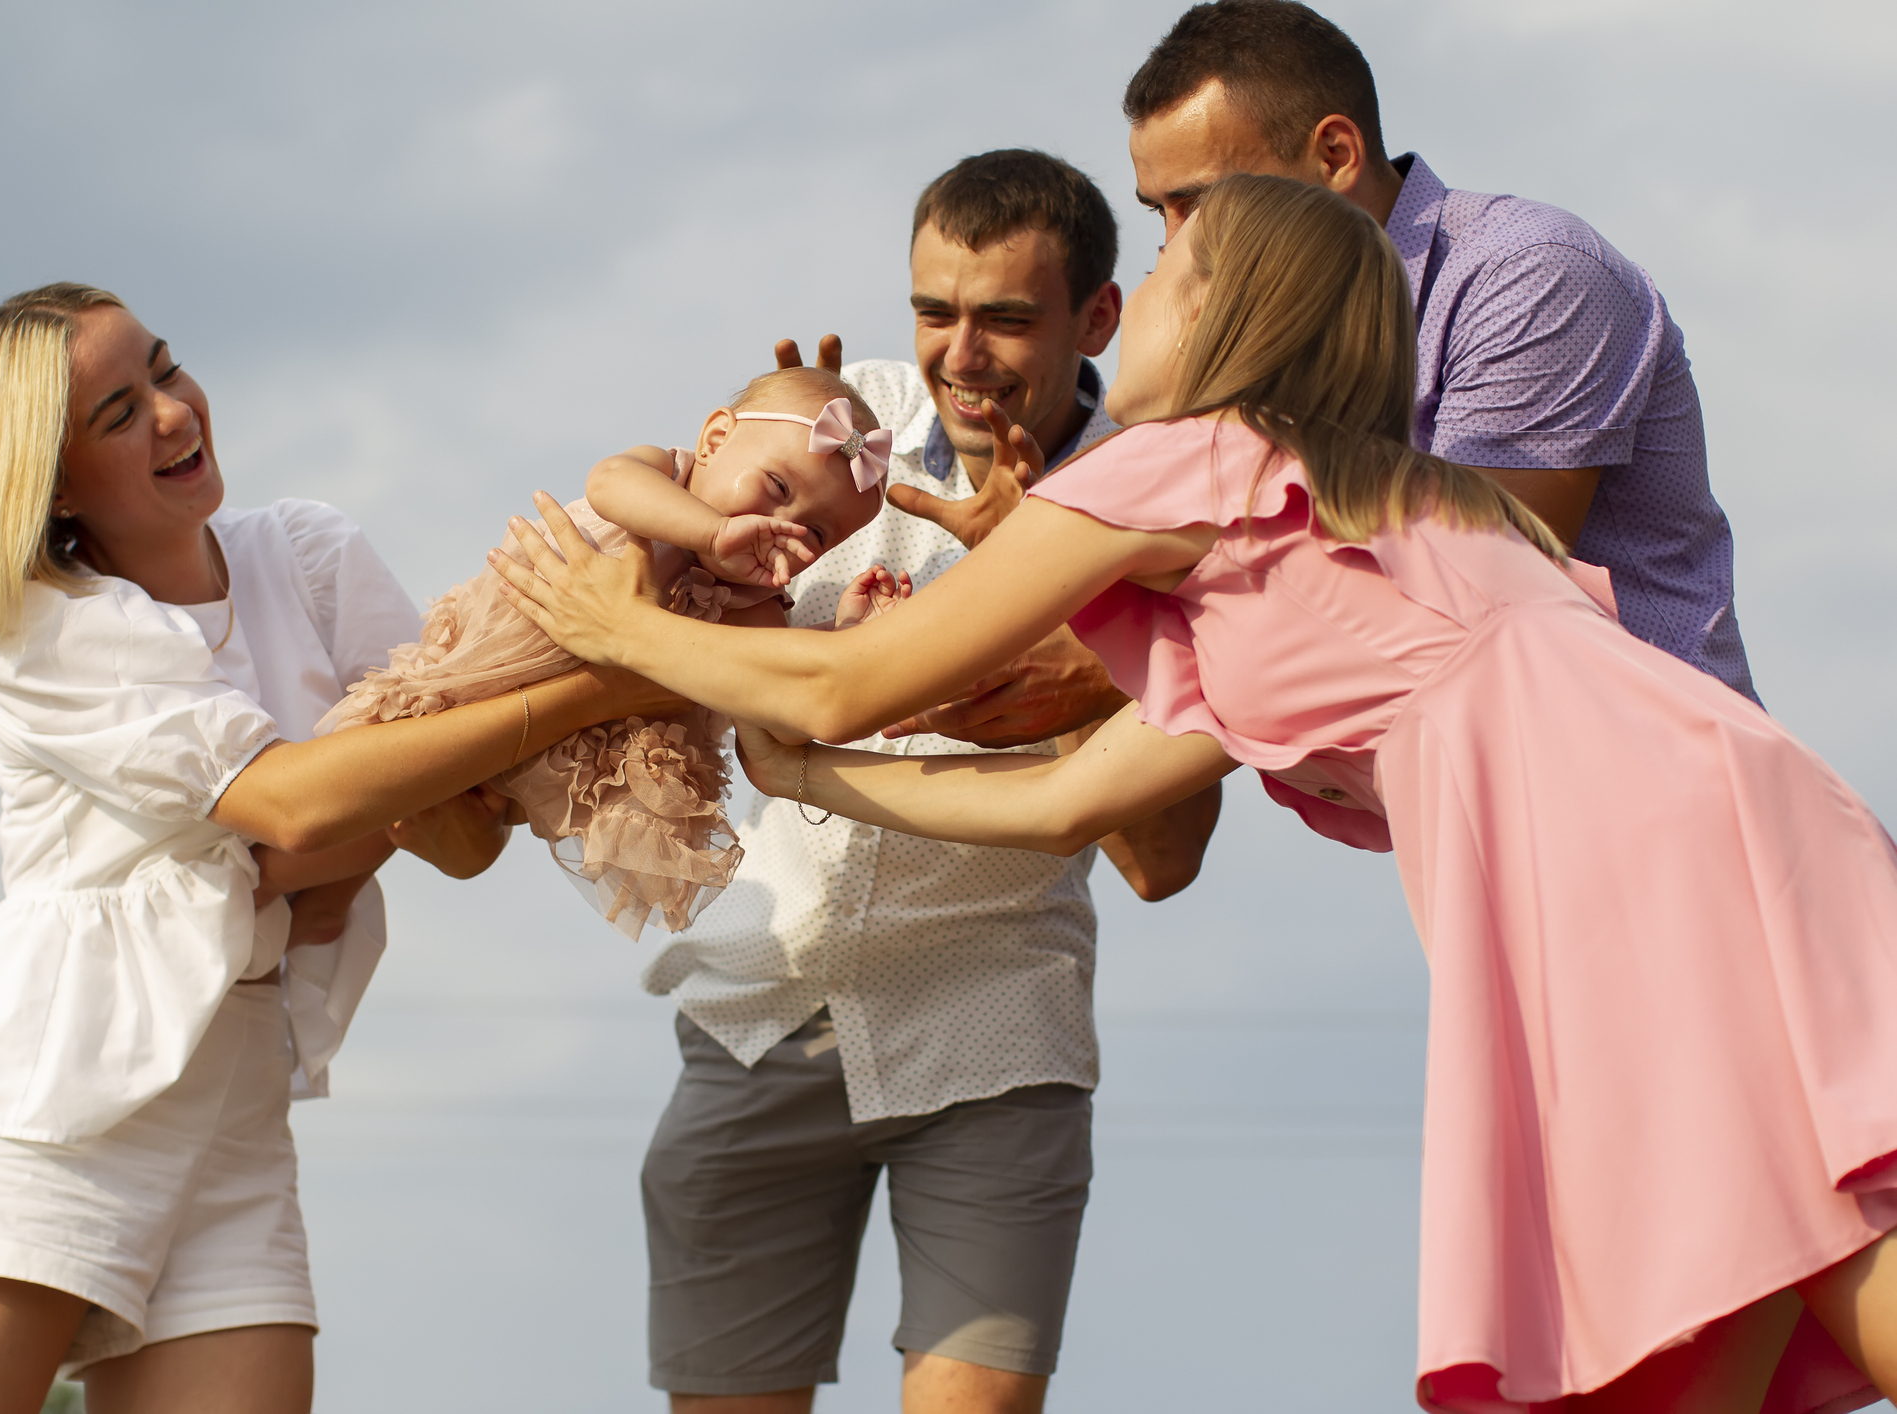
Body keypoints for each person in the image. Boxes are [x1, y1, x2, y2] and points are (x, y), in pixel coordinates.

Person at [492, 175, 1897, 1414]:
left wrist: (618, 626)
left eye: (1166, 271)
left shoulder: (1185, 463)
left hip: (1631, 859)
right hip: (1719, 816)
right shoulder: (1355, 521)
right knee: (1710, 1292)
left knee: (1799, 1234)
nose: (1143, 293)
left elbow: (841, 684)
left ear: (1225, 319)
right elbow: (1067, 801)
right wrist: (818, 782)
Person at [0, 283, 684, 1414]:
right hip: (44, 1104)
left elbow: (457, 828)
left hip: (234, 1113)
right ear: (46, 483)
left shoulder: (309, 554)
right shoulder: (41, 624)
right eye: (116, 413)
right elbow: (296, 806)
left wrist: (406, 779)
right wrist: (597, 680)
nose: (174, 411)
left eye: (166, 367)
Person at [616, 150, 1221, 1414]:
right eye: (933, 310)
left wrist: (1090, 634)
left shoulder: (1156, 506)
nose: (960, 354)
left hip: (994, 1033)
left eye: (1005, 317)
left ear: (1096, 319)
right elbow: (644, 530)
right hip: (760, 1010)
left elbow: (1163, 860)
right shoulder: (845, 431)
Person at [1122, 0, 1758, 699]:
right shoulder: (1281, 332)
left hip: (1654, 774)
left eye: (1201, 203)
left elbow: (1457, 597)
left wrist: (1115, 636)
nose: (1172, 246)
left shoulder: (1531, 274)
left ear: (1334, 154)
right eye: (1160, 211)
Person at [318, 366, 899, 940]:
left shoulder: (757, 604)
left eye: (817, 534)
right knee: (379, 761)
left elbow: (782, 706)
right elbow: (608, 482)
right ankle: (316, 887)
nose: (784, 527)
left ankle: (434, 843)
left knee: (476, 825)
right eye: (776, 488)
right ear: (715, 439)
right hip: (498, 664)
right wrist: (709, 533)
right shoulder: (664, 475)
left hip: (582, 745)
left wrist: (842, 640)